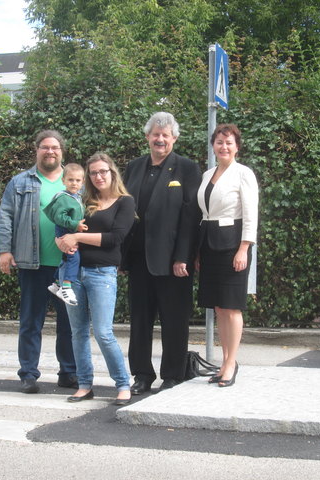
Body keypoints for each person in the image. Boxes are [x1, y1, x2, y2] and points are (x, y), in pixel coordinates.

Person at [122, 112, 202, 394]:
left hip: (172, 261)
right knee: (140, 321)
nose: (159, 139)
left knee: (174, 320)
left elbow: (191, 217)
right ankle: (142, 375)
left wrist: (184, 256)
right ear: (147, 137)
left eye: (165, 135)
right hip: (138, 258)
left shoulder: (187, 169)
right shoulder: (133, 167)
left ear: (174, 139)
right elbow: (123, 212)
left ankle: (173, 374)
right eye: (155, 134)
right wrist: (121, 256)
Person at [0, 130, 78, 394]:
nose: (50, 151)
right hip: (32, 265)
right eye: (45, 147)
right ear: (37, 150)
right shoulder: (20, 182)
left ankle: (68, 372)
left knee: (69, 323)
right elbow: (5, 216)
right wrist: (4, 251)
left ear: (62, 151)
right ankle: (28, 374)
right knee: (31, 321)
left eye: (55, 147)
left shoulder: (75, 182)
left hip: (65, 267)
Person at [56, 152, 134, 406]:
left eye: (103, 171)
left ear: (112, 172)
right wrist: (61, 241)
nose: (98, 176)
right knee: (77, 332)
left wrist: (77, 238)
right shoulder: (82, 199)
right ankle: (84, 384)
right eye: (93, 173)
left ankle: (123, 384)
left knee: (103, 332)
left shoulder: (125, 202)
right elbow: (65, 228)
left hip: (102, 274)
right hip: (72, 274)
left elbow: (115, 239)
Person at [196, 124, 258, 388]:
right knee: (219, 306)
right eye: (219, 142)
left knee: (232, 306)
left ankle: (231, 362)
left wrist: (244, 247)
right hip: (209, 243)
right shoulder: (207, 174)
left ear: (237, 147)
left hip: (233, 243)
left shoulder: (244, 174)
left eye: (229, 143)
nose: (223, 147)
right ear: (213, 145)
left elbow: (250, 213)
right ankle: (223, 362)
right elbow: (204, 213)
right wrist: (198, 252)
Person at [43, 162, 87, 306]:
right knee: (74, 257)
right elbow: (59, 217)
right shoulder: (63, 197)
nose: (74, 183)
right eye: (70, 180)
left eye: (78, 180)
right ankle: (66, 287)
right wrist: (75, 225)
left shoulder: (78, 196)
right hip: (65, 231)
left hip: (71, 231)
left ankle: (56, 284)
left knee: (65, 260)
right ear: (63, 181)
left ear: (83, 182)